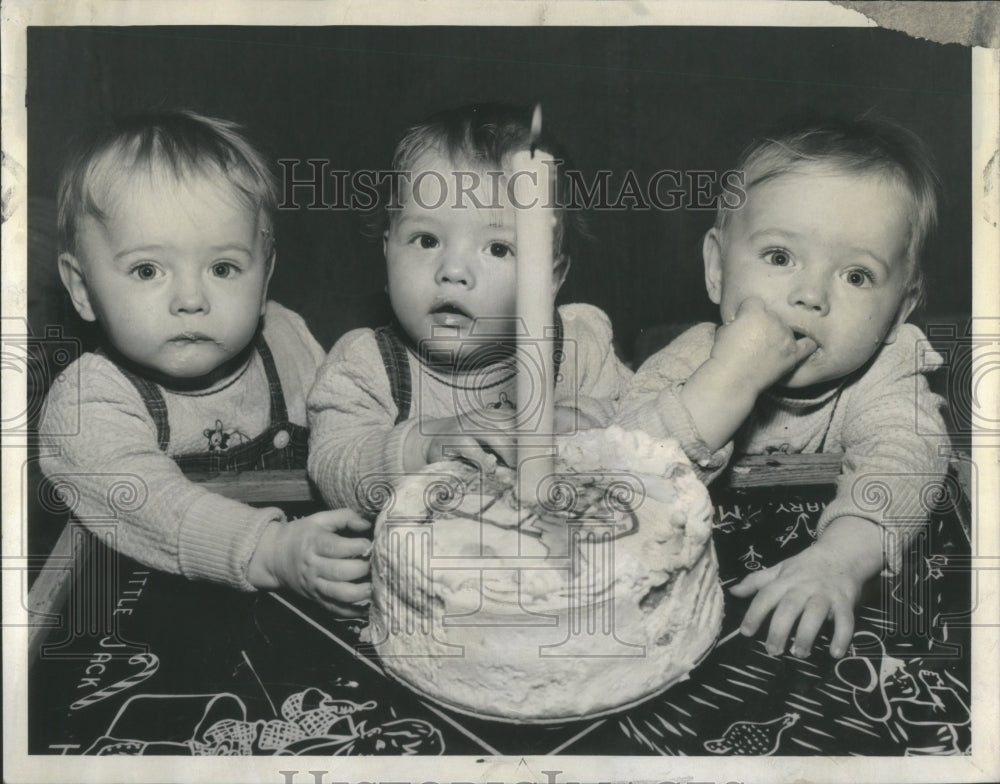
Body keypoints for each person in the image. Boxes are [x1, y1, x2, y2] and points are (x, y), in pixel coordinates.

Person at [617, 116, 950, 658]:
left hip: (833, 575)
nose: (810, 296)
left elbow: (906, 455)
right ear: (718, 269)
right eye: (779, 257)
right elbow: (622, 467)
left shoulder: (888, 367)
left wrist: (841, 559)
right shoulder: (692, 359)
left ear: (900, 310)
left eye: (856, 276)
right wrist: (729, 380)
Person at [39, 110, 370, 615]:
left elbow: (349, 443)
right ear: (82, 289)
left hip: (307, 594)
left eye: (223, 267)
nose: (191, 299)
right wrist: (270, 550)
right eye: (147, 270)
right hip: (156, 616)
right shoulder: (90, 403)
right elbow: (150, 503)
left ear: (264, 278)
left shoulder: (286, 340)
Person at [308, 103, 633, 513]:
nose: (453, 271)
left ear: (550, 279)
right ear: (387, 248)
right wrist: (422, 445)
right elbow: (331, 465)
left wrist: (585, 422)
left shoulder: (579, 347)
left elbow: (647, 420)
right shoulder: (366, 366)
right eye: (426, 240)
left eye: (498, 248)